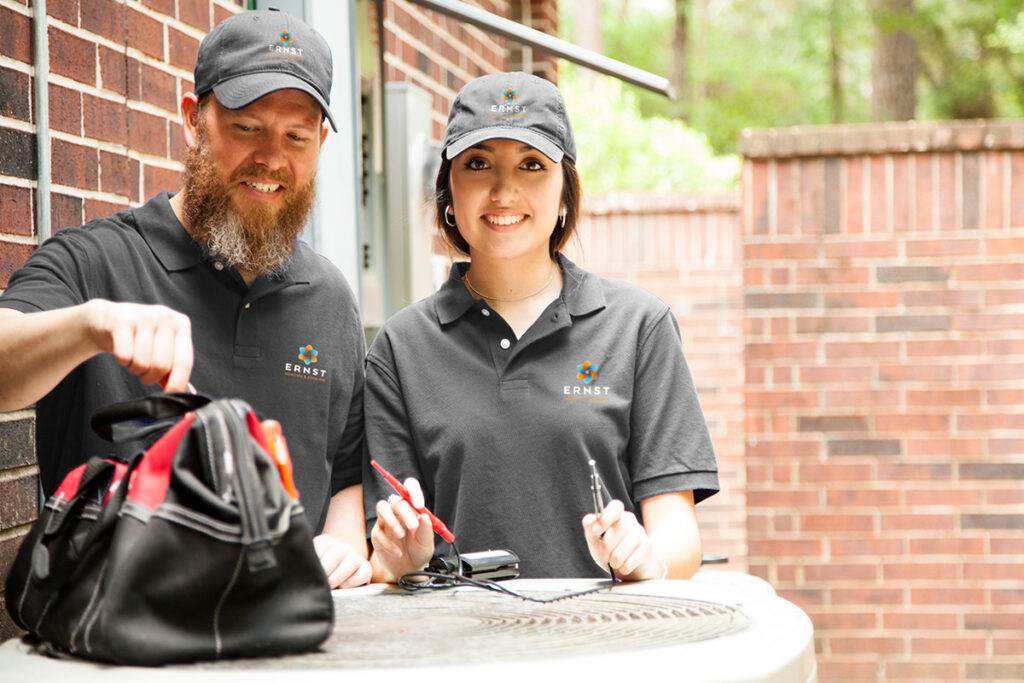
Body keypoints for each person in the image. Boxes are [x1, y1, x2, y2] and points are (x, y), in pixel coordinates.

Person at [0, 9, 371, 588]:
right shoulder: (95, 262)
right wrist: (90, 327)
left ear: (319, 143)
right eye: (248, 127)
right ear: (194, 120)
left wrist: (344, 546)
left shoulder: (330, 298)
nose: (272, 159)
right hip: (120, 648)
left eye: (295, 136)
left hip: (288, 642)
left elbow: (346, 470)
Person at [364, 72, 719, 582]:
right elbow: (387, 556)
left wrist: (645, 557)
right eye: (478, 163)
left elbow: (678, 537)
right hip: (457, 653)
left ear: (565, 195)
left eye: (531, 165)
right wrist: (399, 558)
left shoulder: (640, 327)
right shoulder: (400, 348)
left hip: (605, 645)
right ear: (449, 192)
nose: (504, 190)